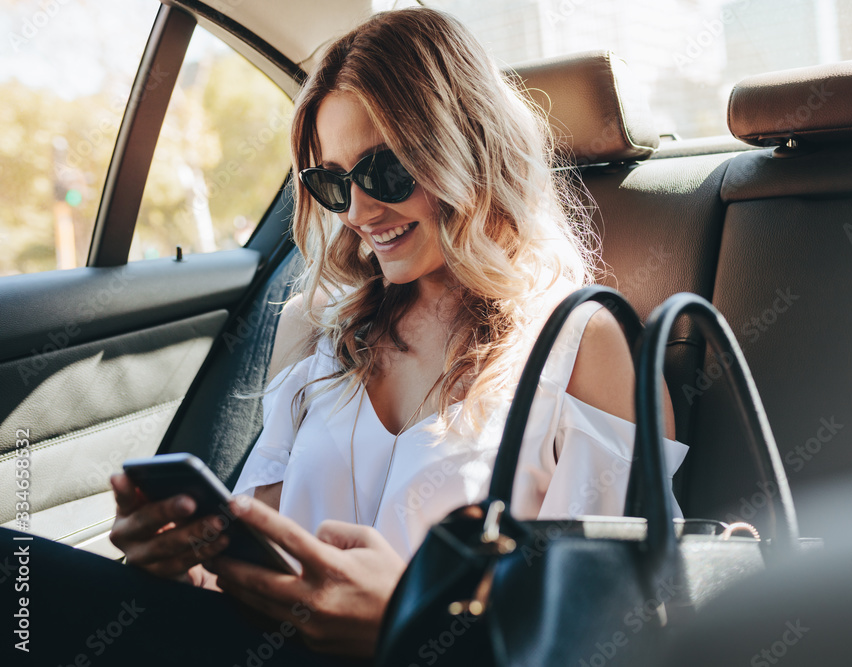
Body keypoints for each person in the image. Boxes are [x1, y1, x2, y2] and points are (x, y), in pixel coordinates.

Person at [9, 7, 685, 664]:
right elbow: (255, 551)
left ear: (467, 152)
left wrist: (409, 622)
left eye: (385, 171)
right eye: (333, 183)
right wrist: (179, 561)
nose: (359, 211)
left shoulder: (588, 346)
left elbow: (609, 633)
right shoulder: (321, 329)